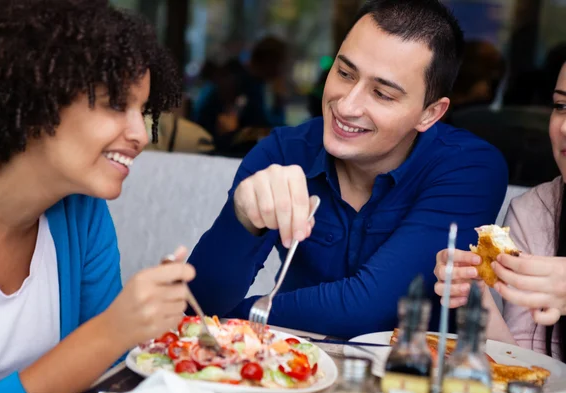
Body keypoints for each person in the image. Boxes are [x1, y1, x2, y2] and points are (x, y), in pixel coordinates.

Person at [187, 0, 508, 339]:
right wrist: (243, 220)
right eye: (344, 73)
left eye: (382, 94)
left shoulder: (469, 168)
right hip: (290, 370)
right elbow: (195, 305)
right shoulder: (283, 152)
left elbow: (369, 308)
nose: (346, 105)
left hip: (408, 381)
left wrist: (234, 321)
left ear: (429, 114)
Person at [0, 1, 195, 393]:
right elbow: (102, 344)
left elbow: (108, 378)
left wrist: (129, 329)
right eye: (116, 103)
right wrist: (110, 332)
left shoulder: (83, 212)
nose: (141, 135)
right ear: (38, 95)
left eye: (144, 110)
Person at [435, 61, 566, 361]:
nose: (565, 126)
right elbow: (529, 368)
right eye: (561, 105)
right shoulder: (534, 212)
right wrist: (475, 293)